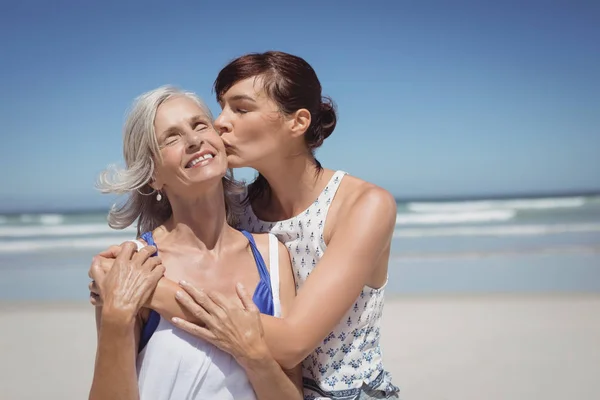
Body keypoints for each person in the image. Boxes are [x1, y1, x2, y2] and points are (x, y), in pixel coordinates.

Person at [91, 51, 400, 400]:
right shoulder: (242, 210)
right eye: (220, 108)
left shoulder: (362, 205)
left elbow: (292, 341)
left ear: (297, 122)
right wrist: (116, 286)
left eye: (240, 108)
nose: (220, 122)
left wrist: (149, 291)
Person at [88, 86, 302, 400]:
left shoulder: (271, 255)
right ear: (152, 176)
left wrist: (252, 355)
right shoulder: (131, 266)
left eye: (200, 125)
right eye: (171, 137)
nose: (193, 140)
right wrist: (117, 317)